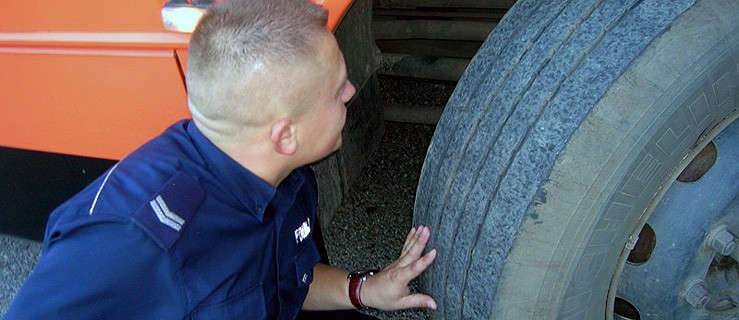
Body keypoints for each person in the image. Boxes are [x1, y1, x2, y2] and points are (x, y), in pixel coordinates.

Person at [3, 0, 438, 319]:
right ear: (285, 134)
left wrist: (364, 288)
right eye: (338, 88)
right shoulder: (132, 244)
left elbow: (288, 281)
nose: (351, 93)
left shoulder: (281, 173)